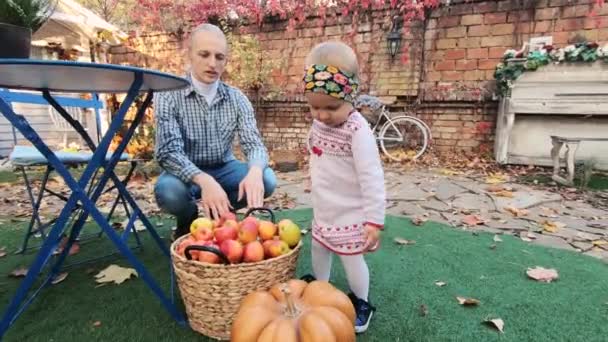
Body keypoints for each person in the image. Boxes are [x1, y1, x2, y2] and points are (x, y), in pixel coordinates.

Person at [153, 23, 276, 238]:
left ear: (226, 60)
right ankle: (188, 220)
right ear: (190, 54)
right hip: (184, 173)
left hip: (225, 167)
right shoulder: (168, 94)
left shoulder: (237, 98)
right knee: (169, 193)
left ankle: (222, 218)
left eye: (219, 57)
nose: (212, 63)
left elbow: (254, 144)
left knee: (267, 179)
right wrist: (204, 180)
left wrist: (255, 172)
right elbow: (168, 153)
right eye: (204, 54)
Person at [301, 41, 386, 333]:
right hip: (325, 207)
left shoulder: (357, 131)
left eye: (331, 108)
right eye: (314, 107)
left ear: (351, 97)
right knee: (318, 247)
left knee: (351, 259)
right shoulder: (318, 124)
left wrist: (374, 220)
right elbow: (315, 152)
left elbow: (372, 177)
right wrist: (313, 178)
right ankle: (319, 288)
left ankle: (361, 301)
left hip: (351, 213)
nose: (322, 115)